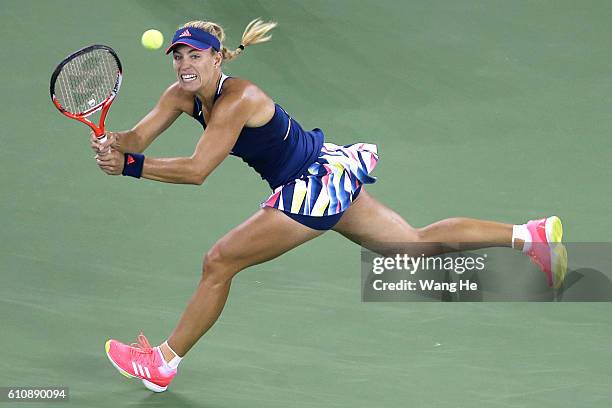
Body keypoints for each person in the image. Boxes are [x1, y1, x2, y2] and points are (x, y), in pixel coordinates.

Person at [95, 18, 566, 392]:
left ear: (217, 58)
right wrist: (116, 143)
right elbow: (137, 138)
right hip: (327, 175)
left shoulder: (239, 98)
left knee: (218, 262)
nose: (184, 65)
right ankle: (531, 236)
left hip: (311, 186)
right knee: (414, 246)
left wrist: (132, 167)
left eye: (194, 55)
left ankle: (163, 362)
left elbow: (198, 170)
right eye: (178, 57)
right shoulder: (180, 95)